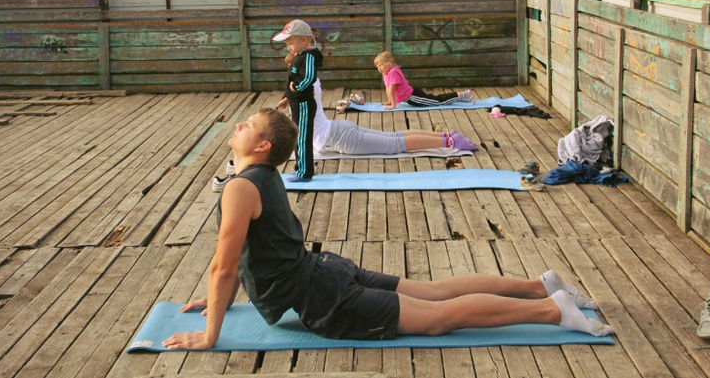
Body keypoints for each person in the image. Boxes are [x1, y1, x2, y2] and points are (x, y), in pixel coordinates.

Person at [162, 108, 614, 350]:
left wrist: (209, 337)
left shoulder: (240, 187)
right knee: (434, 293)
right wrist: (224, 289)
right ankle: (540, 287)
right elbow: (247, 254)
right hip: (323, 272)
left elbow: (226, 265)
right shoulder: (261, 178)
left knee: (438, 318)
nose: (238, 123)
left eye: (248, 125)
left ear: (261, 146)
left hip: (324, 294)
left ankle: (553, 311)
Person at [311, 77, 479, 154]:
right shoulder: (311, 84)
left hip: (338, 138)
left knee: (396, 143)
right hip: (338, 128)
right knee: (394, 137)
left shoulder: (303, 93)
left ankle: (450, 141)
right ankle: (446, 135)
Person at [274, 20, 323, 182]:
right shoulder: (299, 56)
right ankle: (300, 167)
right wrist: (287, 98)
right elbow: (294, 77)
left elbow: (308, 77)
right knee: (298, 135)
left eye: (290, 43)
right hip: (296, 102)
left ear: (303, 40)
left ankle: (305, 172)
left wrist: (296, 87)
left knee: (302, 137)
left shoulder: (309, 56)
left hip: (304, 103)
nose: (289, 47)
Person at [374, 51, 475, 110]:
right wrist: (389, 101)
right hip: (413, 96)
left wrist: (393, 105)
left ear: (390, 62)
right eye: (377, 66)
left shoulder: (393, 73)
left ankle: (462, 95)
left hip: (414, 97)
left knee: (438, 102)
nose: (379, 68)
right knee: (434, 98)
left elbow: (391, 89)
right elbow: (387, 87)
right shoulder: (386, 73)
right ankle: (462, 96)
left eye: (381, 65)